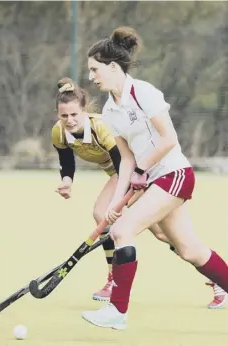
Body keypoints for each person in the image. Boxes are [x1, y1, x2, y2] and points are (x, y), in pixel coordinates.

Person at [81, 26, 228, 329]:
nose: (91, 76)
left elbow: (169, 139)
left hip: (174, 174)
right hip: (154, 178)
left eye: (95, 69)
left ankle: (117, 312)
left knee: (123, 232)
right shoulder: (110, 110)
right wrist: (118, 199)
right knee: (189, 249)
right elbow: (126, 160)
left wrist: (140, 172)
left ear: (112, 67)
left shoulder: (144, 92)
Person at [51, 77, 173, 302]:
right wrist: (67, 181)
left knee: (104, 213)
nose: (69, 120)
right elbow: (66, 162)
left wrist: (121, 202)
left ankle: (113, 279)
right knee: (161, 232)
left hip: (140, 171)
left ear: (84, 111)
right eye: (64, 115)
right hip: (122, 176)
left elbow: (123, 166)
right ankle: (113, 279)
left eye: (74, 114)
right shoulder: (59, 133)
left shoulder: (101, 128)